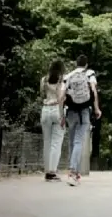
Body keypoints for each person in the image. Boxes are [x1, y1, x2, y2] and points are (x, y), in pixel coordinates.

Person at [64, 54, 102, 186]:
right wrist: (96, 108)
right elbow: (94, 90)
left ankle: (75, 172)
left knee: (72, 142)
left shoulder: (68, 76)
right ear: (86, 64)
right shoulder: (90, 73)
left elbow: (62, 96)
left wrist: (61, 115)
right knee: (79, 141)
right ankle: (73, 172)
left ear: (76, 63)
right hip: (84, 111)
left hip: (70, 112)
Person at [40, 59, 65, 181]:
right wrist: (62, 116)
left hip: (45, 110)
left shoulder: (43, 80)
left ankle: (46, 171)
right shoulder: (62, 81)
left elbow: (42, 94)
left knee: (47, 142)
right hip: (56, 110)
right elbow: (61, 98)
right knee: (56, 142)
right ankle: (52, 172)